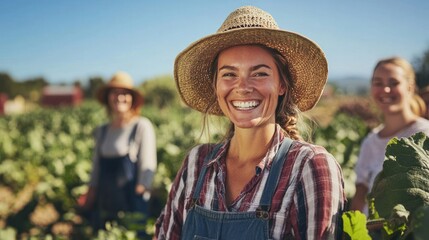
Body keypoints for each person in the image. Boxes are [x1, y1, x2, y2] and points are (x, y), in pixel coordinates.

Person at [155, 6, 345, 240]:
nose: (243, 87)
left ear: (282, 85)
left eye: (260, 73)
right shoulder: (196, 164)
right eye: (229, 74)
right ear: (216, 86)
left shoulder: (308, 166)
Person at [78, 71, 157, 233]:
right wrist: (89, 198)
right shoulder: (102, 131)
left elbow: (147, 168)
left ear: (132, 99)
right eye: (115, 93)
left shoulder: (141, 126)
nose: (120, 97)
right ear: (108, 97)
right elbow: (96, 170)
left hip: (131, 205)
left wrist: (136, 208)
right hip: (105, 204)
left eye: (125, 93)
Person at [350, 57, 429, 215]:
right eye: (378, 83)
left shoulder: (425, 134)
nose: (385, 90)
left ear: (410, 87)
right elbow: (359, 198)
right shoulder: (370, 141)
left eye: (394, 83)